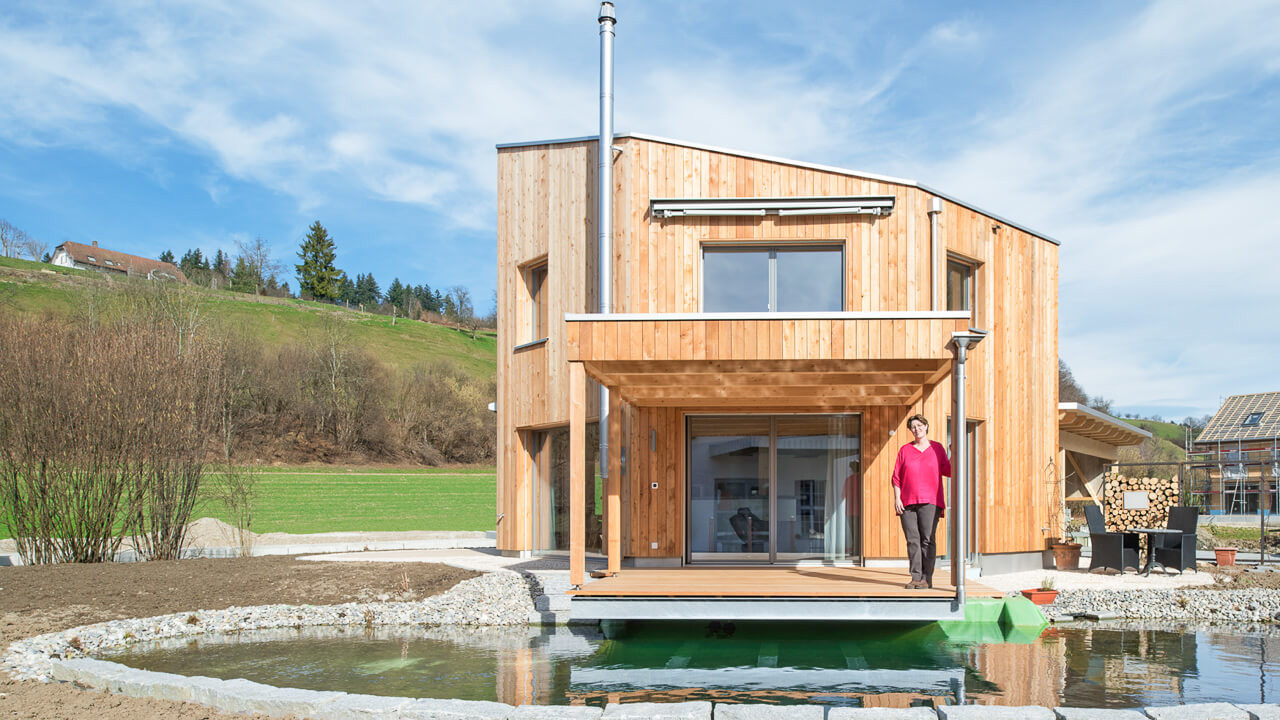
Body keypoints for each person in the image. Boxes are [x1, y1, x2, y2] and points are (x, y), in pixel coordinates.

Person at [891, 414, 951, 589]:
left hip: (931, 501)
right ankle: (916, 577)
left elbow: (949, 471)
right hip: (907, 502)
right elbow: (896, 478)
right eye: (913, 427)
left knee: (927, 539)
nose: (916, 429)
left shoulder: (937, 448)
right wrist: (897, 498)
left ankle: (926, 578)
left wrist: (954, 452)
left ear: (926, 426)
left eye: (919, 425)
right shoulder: (905, 450)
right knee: (912, 540)